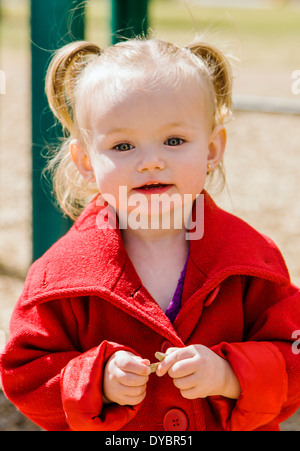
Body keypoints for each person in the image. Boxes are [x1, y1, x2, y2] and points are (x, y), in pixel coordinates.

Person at [0, 37, 299, 432]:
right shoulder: (58, 276)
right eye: (123, 145)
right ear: (86, 161)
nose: (151, 161)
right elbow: (25, 373)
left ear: (212, 149)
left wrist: (230, 375)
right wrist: (95, 381)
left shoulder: (253, 261)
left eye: (174, 141)